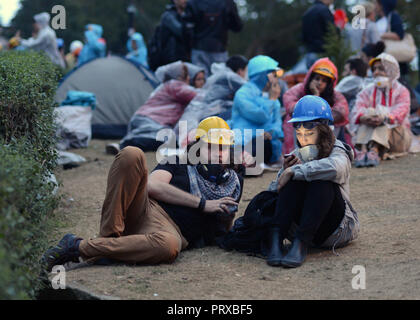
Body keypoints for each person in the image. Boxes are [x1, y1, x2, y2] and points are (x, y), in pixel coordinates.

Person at [41, 117, 244, 271]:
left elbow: (222, 229)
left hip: (170, 233)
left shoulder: (233, 180)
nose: (219, 152)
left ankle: (80, 247)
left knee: (169, 247)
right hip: (146, 208)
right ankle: (110, 238)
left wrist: (226, 220)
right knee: (132, 154)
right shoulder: (179, 161)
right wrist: (202, 203)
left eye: (224, 148)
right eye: (211, 146)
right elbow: (151, 186)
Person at [220, 96, 359, 268]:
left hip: (335, 229)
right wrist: (283, 173)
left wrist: (295, 171)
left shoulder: (338, 149)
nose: (302, 132)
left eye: (308, 126)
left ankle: (301, 244)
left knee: (321, 181)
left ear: (323, 127)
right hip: (296, 227)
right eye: (298, 127)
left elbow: (338, 168)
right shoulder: (296, 154)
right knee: (292, 179)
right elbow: (274, 194)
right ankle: (276, 240)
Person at [116, 61, 197, 152]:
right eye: (187, 75)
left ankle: (127, 143)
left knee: (168, 139)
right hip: (151, 119)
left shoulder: (166, 85)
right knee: (168, 140)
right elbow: (199, 96)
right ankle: (127, 144)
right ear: (181, 76)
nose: (189, 78)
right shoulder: (175, 85)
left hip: (142, 118)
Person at [350, 53, 412, 167]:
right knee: (370, 114)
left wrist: (383, 117)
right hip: (370, 134)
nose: (376, 72)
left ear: (391, 71)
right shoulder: (367, 91)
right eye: (374, 69)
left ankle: (372, 149)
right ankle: (366, 151)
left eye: (381, 68)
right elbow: (357, 109)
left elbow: (400, 114)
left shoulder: (402, 91)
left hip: (397, 137)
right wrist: (364, 117)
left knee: (381, 116)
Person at [175, 55, 249, 148]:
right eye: (246, 71)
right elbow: (250, 90)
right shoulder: (230, 76)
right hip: (205, 116)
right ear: (240, 71)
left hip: (197, 116)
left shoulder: (218, 75)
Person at [282, 58, 349, 154]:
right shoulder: (298, 90)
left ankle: (329, 153)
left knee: (332, 122)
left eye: (324, 80)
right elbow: (291, 107)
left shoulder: (335, 95)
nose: (319, 82)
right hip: (300, 134)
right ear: (310, 78)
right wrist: (315, 97)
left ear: (329, 84)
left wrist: (317, 104)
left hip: (327, 136)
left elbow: (342, 113)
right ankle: (298, 154)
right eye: (317, 78)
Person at [230, 55, 284, 167]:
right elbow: (260, 116)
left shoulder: (272, 96)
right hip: (245, 142)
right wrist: (272, 99)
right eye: (273, 74)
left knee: (266, 144)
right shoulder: (242, 94)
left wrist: (271, 133)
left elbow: (277, 123)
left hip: (266, 145)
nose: (276, 79)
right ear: (262, 75)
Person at [183, 0, 243, 76]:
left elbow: (186, 30)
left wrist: (188, 49)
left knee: (200, 81)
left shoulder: (193, 2)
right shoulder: (227, 2)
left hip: (199, 49)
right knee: (218, 82)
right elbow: (237, 26)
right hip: (219, 49)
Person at [375, 0, 409, 78]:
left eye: (376, 4)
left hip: (395, 61)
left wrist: (381, 35)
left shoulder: (393, 16)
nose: (375, 6)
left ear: (382, 5)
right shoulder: (378, 19)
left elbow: (399, 35)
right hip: (382, 60)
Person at [301, 0, 336, 69]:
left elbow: (303, 37)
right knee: (325, 78)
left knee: (312, 79)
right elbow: (332, 31)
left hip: (310, 54)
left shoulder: (307, 13)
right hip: (323, 54)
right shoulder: (325, 11)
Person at [157, 0, 191, 67]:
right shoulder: (168, 16)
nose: (185, 1)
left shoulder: (186, 15)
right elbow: (182, 32)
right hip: (171, 60)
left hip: (183, 58)